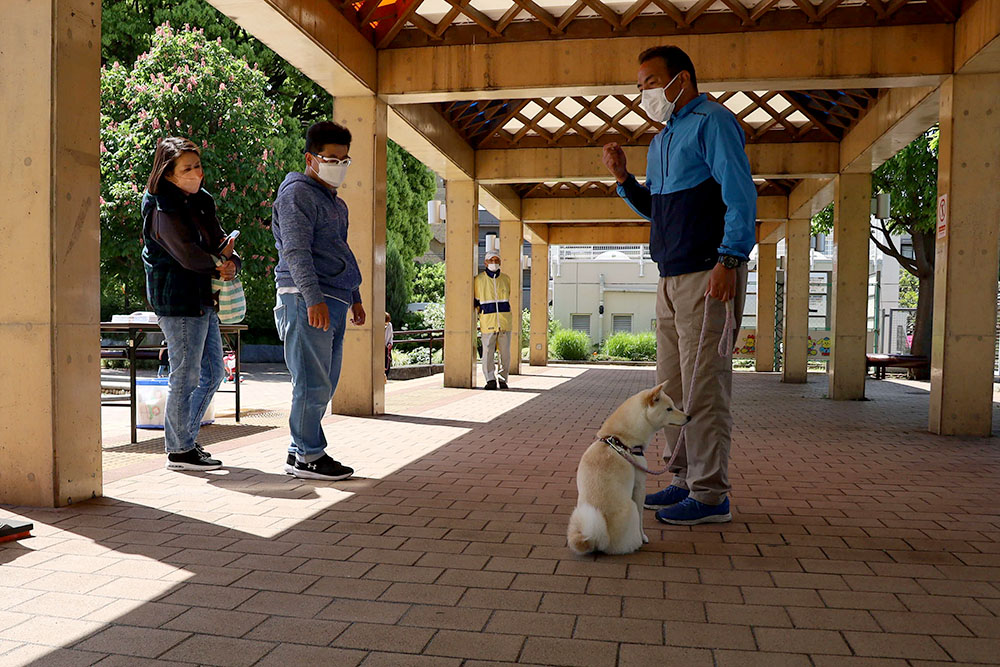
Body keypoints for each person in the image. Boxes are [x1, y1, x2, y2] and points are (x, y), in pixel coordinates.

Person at [603, 46, 756, 525]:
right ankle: (685, 479)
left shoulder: (713, 122)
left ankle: (711, 496)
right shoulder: (662, 139)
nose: (642, 92)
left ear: (681, 80)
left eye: (650, 81)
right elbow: (661, 212)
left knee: (704, 388)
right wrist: (625, 180)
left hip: (708, 274)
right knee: (671, 392)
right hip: (670, 278)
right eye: (640, 84)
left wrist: (730, 259)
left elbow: (739, 194)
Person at [272, 121, 366, 481]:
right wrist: (313, 298)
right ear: (311, 158)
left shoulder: (336, 205)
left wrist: (354, 296)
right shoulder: (296, 194)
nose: (338, 166)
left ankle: (300, 451)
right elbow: (296, 251)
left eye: (344, 160)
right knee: (312, 381)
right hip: (306, 296)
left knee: (324, 381)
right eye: (331, 158)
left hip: (336, 297)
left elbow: (340, 250)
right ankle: (310, 455)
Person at [142, 137, 241, 471]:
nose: (196, 173)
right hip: (177, 300)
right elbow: (184, 253)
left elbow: (218, 240)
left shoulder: (201, 201)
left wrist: (231, 261)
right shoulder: (160, 205)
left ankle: (183, 441)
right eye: (188, 168)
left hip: (202, 297)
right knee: (185, 376)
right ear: (168, 173)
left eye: (197, 165)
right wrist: (218, 264)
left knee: (213, 373)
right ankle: (180, 450)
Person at [473, 237, 512, 390]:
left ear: (500, 262)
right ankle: (490, 379)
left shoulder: (506, 279)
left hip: (504, 322)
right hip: (487, 322)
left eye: (496, 260)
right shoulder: (479, 280)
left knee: (505, 354)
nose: (494, 262)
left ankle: (503, 379)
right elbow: (476, 302)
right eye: (491, 260)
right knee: (488, 353)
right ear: (485, 263)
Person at [384, 312, 394, 379]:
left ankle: (386, 377)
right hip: (380, 348)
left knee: (387, 363)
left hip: (386, 348)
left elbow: (391, 336)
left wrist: (390, 343)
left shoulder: (389, 325)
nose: (386, 325)